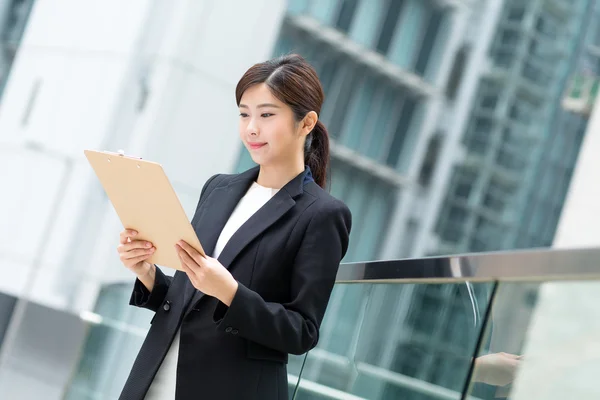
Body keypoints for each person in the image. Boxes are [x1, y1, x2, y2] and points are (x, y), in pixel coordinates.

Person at [116, 54, 352, 400]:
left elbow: (301, 331)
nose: (251, 128)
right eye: (244, 114)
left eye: (267, 115)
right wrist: (148, 273)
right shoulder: (219, 188)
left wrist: (231, 293)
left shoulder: (322, 214)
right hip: (156, 379)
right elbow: (190, 298)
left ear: (306, 123)